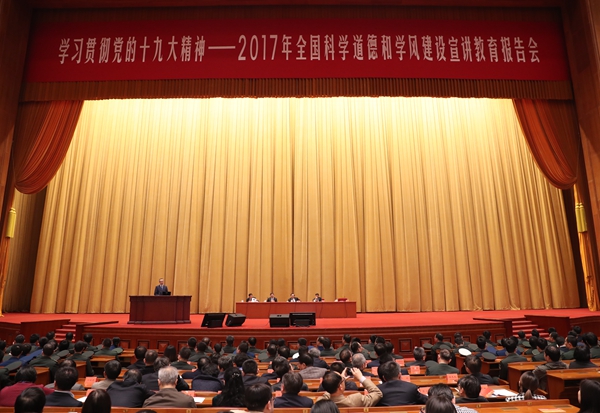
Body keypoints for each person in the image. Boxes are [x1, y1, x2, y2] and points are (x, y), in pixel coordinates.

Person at [317, 367, 382, 407]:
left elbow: (329, 390)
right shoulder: (356, 399)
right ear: (340, 387)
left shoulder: (320, 402)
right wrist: (361, 378)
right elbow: (377, 393)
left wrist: (340, 380)